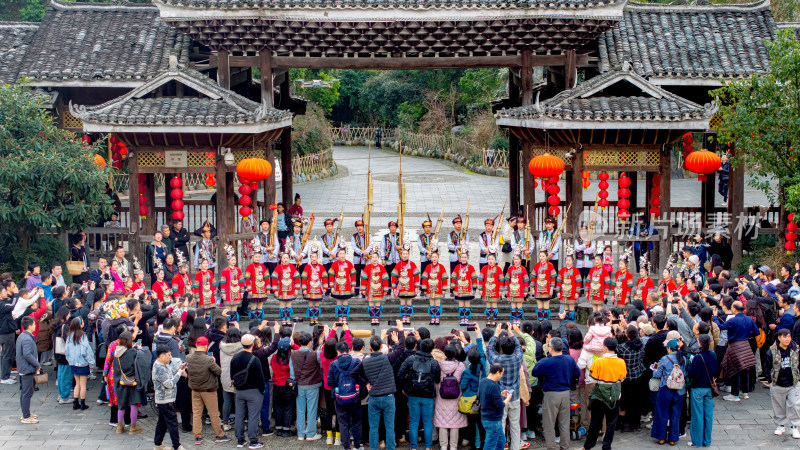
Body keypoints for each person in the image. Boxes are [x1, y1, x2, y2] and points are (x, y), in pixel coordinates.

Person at [531, 336, 580, 450]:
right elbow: (577, 372)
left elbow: (534, 372)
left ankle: (552, 447)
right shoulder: (569, 359)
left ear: (550, 349)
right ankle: (565, 446)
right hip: (565, 393)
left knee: (549, 424)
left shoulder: (546, 362)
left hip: (551, 394)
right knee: (564, 423)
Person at [352, 335, 398, 450]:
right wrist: (400, 333)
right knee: (389, 427)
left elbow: (353, 374)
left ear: (370, 347)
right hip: (388, 396)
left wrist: (366, 383)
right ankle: (390, 448)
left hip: (374, 398)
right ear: (381, 346)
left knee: (373, 427)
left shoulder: (365, 361)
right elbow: (400, 348)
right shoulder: (387, 358)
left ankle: (373, 448)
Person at [185, 336, 230, 444]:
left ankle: (197, 437)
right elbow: (219, 371)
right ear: (206, 346)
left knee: (196, 414)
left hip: (195, 390)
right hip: (209, 390)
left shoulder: (188, 358)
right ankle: (219, 435)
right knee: (214, 413)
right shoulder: (209, 360)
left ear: (196, 345)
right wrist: (214, 361)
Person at [583, 337, 627, 450]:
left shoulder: (599, 361)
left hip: (600, 396)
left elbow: (592, 379)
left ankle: (589, 445)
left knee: (595, 422)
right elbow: (622, 378)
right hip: (615, 395)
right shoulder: (621, 362)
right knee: (611, 423)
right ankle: (607, 446)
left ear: (605, 348)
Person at [398, 338, 441, 450]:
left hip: (413, 394)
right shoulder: (434, 362)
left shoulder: (410, 359)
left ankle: (413, 447)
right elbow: (437, 379)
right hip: (428, 396)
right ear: (432, 349)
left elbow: (400, 375)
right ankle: (428, 447)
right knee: (427, 422)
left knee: (414, 421)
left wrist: (405, 388)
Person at [486, 324, 524, 450]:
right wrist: (511, 332)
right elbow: (518, 346)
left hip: (500, 396)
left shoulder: (497, 360)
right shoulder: (518, 358)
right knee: (515, 425)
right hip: (515, 395)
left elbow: (489, 350)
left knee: (500, 424)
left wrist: (496, 334)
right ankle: (515, 447)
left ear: (501, 347)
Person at [713, 300, 758, 401]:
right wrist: (746, 336)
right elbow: (756, 332)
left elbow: (720, 327)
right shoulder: (749, 319)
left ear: (734, 308)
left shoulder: (733, 320)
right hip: (745, 344)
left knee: (735, 370)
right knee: (745, 368)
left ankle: (735, 394)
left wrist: (715, 317)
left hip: (735, 345)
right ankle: (745, 392)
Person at [764, 329, 800, 439]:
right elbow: (767, 366)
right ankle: (780, 425)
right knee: (778, 406)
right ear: (779, 338)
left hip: (793, 383)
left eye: (789, 337)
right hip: (778, 383)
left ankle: (795, 426)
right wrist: (770, 380)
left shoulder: (796, 349)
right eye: (785, 337)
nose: (787, 339)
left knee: (794, 405)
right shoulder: (772, 350)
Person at [231, 333, 265, 449]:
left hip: (240, 391)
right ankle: (253, 441)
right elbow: (260, 379)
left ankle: (240, 440)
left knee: (239, 416)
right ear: (252, 344)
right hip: (254, 391)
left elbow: (232, 375)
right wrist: (262, 390)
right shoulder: (254, 359)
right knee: (253, 417)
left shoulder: (235, 357)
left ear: (242, 344)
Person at [650, 339, 686, 445]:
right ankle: (673, 439)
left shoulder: (665, 359)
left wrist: (653, 369)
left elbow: (657, 374)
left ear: (669, 349)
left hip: (666, 388)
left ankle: (661, 437)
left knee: (662, 412)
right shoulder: (682, 358)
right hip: (680, 390)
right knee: (675, 414)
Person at [328, 341, 362, 450]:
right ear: (349, 350)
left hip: (339, 398)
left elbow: (330, 383)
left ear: (337, 352)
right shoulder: (356, 362)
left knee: (343, 423)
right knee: (356, 421)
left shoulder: (334, 364)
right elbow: (361, 378)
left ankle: (346, 447)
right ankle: (357, 445)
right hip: (354, 397)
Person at [152, 343, 187, 450]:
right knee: (172, 423)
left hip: (166, 399)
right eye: (169, 355)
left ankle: (158, 444)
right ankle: (176, 445)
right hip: (165, 400)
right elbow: (170, 384)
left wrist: (178, 370)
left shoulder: (163, 364)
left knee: (162, 423)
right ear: (162, 356)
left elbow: (170, 375)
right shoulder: (159, 368)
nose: (170, 357)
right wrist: (179, 373)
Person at [433, 344, 467, 450]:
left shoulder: (438, 365)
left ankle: (443, 445)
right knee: (454, 422)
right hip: (456, 396)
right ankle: (453, 446)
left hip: (441, 396)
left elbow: (436, 380)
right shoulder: (460, 365)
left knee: (442, 421)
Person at [687, 334, 718, 447]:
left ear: (700, 343)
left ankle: (697, 441)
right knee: (708, 415)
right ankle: (707, 441)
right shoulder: (713, 355)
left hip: (698, 388)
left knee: (697, 415)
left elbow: (691, 374)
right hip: (709, 389)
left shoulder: (698, 357)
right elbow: (716, 371)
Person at [112, 331, 143, 435]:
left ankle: (119, 427)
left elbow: (115, 370)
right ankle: (133, 427)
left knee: (121, 405)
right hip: (132, 382)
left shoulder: (116, 353)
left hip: (119, 382)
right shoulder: (133, 352)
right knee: (133, 404)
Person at [479, 363, 514, 450]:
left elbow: (487, 396)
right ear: (497, 372)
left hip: (485, 418)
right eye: (502, 374)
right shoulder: (494, 386)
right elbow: (500, 405)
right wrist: (508, 398)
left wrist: (500, 394)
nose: (501, 376)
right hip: (493, 420)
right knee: (489, 446)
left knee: (501, 441)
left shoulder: (482, 381)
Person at [64, 317, 94, 410]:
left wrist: (70, 360)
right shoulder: (83, 336)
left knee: (77, 384)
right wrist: (91, 362)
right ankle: (82, 403)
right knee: (83, 384)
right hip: (83, 363)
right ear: (80, 324)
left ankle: (75, 402)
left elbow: (66, 351)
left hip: (73, 363)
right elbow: (86, 351)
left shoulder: (69, 336)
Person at [16, 316, 40, 424]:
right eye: (34, 324)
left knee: (25, 392)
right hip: (27, 368)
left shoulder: (23, 336)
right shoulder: (26, 338)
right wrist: (37, 364)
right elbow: (27, 354)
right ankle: (26, 416)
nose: (35, 326)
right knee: (26, 393)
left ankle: (26, 413)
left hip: (24, 367)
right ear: (29, 325)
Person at [361, 245, 390, 326]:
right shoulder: (367, 267)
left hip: (379, 289)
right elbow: (363, 278)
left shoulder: (382, 267)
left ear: (378, 258)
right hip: (370, 289)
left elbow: (385, 279)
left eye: (376, 257)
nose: (374, 258)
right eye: (373, 257)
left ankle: (376, 318)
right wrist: (363, 289)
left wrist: (386, 290)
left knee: (377, 303)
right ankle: (372, 318)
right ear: (371, 258)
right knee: (371, 303)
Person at [391, 245, 420, 325]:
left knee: (409, 303)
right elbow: (394, 276)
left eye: (406, 254)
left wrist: (417, 287)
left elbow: (417, 276)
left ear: (408, 255)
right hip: (401, 288)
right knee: (403, 303)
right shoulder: (398, 264)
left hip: (410, 287)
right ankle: (403, 318)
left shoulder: (412, 264)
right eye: (403, 254)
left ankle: (408, 318)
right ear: (401, 255)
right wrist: (394, 287)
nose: (404, 255)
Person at [329, 244, 356, 324]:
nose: (342, 255)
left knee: (345, 302)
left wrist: (353, 286)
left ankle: (344, 318)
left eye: (343, 253)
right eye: (340, 254)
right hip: (337, 286)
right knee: (339, 302)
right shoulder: (334, 264)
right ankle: (340, 318)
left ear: (345, 254)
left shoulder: (349, 264)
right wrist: (331, 287)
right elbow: (331, 276)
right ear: (337, 255)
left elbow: (353, 275)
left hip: (347, 286)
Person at [272, 251, 300, 325]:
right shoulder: (278, 267)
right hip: (281, 290)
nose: (286, 259)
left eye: (287, 258)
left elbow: (297, 277)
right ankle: (283, 320)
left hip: (290, 290)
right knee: (282, 305)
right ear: (281, 259)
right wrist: (275, 290)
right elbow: (274, 278)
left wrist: (297, 289)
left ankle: (288, 319)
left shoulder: (292, 267)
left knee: (288, 305)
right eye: (284, 258)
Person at [451, 250, 478, 325]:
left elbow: (474, 277)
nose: (463, 259)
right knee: (461, 304)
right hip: (459, 289)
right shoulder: (457, 267)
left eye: (465, 257)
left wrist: (475, 287)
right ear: (460, 258)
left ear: (467, 258)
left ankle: (466, 319)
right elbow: (453, 277)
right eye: (462, 257)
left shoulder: (471, 267)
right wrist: (452, 288)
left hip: (468, 289)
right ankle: (462, 318)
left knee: (467, 304)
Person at [422, 249, 448, 325]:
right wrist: (424, 289)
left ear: (438, 258)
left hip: (438, 288)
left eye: (435, 257)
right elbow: (425, 278)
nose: (434, 258)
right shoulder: (428, 266)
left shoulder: (441, 267)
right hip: (430, 288)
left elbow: (444, 278)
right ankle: (432, 318)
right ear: (431, 258)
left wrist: (444, 289)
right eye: (433, 257)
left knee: (437, 303)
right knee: (431, 303)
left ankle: (437, 318)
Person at [479, 247, 503, 326]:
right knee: (488, 305)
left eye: (492, 259)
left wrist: (501, 290)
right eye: (489, 259)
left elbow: (501, 280)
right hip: (486, 290)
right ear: (487, 260)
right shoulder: (484, 268)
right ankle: (488, 319)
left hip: (495, 290)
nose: (490, 261)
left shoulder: (498, 269)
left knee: (494, 305)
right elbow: (481, 279)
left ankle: (494, 320)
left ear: (495, 260)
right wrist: (480, 289)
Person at [505, 250, 530, 326]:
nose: (516, 261)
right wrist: (506, 289)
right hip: (512, 290)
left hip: (520, 290)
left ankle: (518, 321)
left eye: (517, 259)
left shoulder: (523, 269)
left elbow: (526, 280)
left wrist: (526, 291)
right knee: (513, 306)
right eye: (514, 259)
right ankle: (514, 321)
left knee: (519, 306)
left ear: (520, 260)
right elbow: (507, 279)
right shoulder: (510, 268)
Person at [556, 252, 582, 322]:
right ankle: (566, 322)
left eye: (569, 260)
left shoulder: (576, 270)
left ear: (572, 261)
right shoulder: (562, 270)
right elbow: (558, 281)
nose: (568, 262)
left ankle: (572, 322)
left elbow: (578, 282)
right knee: (565, 308)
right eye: (567, 260)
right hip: (564, 292)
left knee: (571, 307)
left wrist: (577, 292)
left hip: (572, 292)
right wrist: (558, 291)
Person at [351, 219, 368, 295]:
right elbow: (354, 247)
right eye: (358, 226)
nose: (359, 228)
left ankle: (365, 291)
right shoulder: (354, 236)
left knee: (365, 275)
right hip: (357, 258)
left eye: (361, 226)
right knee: (356, 275)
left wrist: (366, 252)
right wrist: (362, 253)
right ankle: (356, 291)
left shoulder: (368, 235)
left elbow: (370, 245)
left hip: (366, 259)